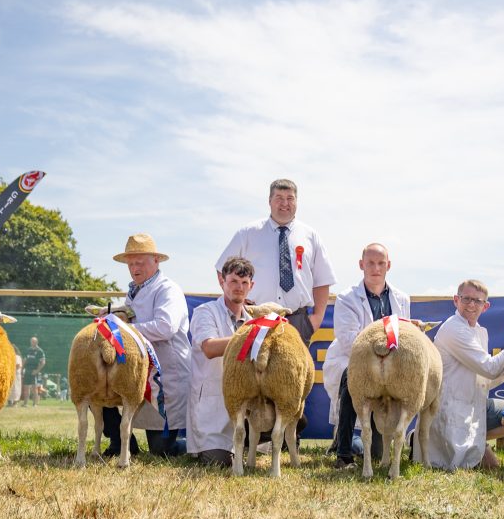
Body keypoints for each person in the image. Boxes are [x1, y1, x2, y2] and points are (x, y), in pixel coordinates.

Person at [419, 280, 504, 470]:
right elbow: (490, 368)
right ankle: (431, 444)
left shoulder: (479, 332)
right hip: (451, 409)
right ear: (455, 300)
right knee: (484, 466)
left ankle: (478, 439)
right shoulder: (454, 329)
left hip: (475, 404)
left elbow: (485, 379)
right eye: (466, 299)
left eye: (477, 301)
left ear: (486, 306)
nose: (471, 305)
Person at [215, 178, 336, 346]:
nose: (284, 203)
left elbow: (322, 281)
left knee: (294, 373)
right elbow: (222, 270)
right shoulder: (248, 233)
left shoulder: (311, 236)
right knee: (254, 370)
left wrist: (316, 319)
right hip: (255, 319)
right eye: (279, 197)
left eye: (290, 198)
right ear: (269, 201)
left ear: (296, 201)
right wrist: (237, 303)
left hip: (298, 321)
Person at [102, 233, 191, 458]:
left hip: (165, 376)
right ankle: (119, 441)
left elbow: (165, 327)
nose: (134, 268)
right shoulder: (135, 291)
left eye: (140, 262)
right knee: (100, 384)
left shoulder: (167, 290)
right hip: (140, 372)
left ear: (156, 261)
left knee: (162, 450)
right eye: (131, 263)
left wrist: (123, 328)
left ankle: (202, 444)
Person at [322, 243, 411, 469]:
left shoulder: (402, 298)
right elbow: (348, 339)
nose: (376, 268)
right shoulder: (346, 298)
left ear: (388, 265)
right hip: (354, 359)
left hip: (389, 365)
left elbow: (404, 335)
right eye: (370, 263)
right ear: (361, 265)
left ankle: (398, 439)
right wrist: (379, 352)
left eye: (381, 263)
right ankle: (343, 454)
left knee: (376, 450)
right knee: (350, 378)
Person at [187, 256, 256, 467]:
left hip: (243, 403)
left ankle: (249, 442)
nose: (239, 287)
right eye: (234, 281)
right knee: (218, 462)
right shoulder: (205, 313)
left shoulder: (253, 321)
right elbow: (209, 348)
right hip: (213, 406)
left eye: (244, 283)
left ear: (251, 286)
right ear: (221, 281)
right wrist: (253, 337)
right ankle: (193, 448)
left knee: (294, 418)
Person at [21, 336, 45, 407]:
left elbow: (43, 362)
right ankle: (25, 403)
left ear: (37, 342)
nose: (32, 343)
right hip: (27, 370)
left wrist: (37, 371)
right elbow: (24, 360)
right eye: (31, 341)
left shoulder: (40, 351)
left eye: (33, 341)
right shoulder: (28, 350)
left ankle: (35, 404)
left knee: (34, 388)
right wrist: (22, 369)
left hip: (34, 371)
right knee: (26, 387)